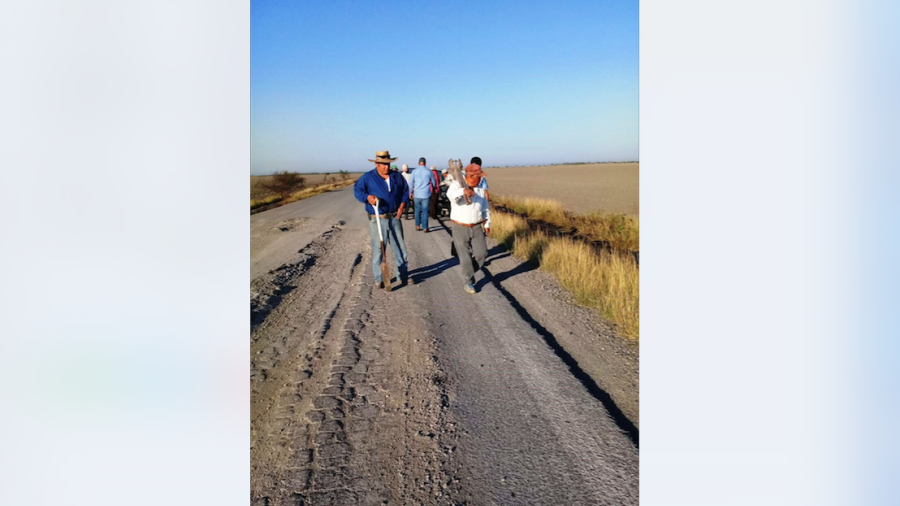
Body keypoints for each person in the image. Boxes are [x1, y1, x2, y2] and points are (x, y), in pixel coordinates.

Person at [353, 150, 410, 288]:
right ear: (377, 164)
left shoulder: (397, 176)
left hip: (394, 217)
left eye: (388, 164)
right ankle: (379, 278)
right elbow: (358, 190)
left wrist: (402, 206)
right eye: (383, 164)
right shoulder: (368, 177)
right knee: (379, 248)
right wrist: (368, 197)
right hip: (378, 218)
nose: (386, 167)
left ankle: (402, 275)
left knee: (400, 247)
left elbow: (405, 191)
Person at [446, 163, 491, 294]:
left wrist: (487, 224)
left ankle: (468, 272)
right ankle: (468, 281)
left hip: (477, 226)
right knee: (465, 257)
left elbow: (485, 208)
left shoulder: (480, 189)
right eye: (478, 177)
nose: (481, 179)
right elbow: (450, 196)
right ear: (470, 176)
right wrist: (463, 191)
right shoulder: (456, 185)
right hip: (460, 226)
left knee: (482, 254)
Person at [409, 157, 435, 232]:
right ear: (425, 163)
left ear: (418, 163)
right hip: (426, 194)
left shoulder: (414, 171)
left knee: (417, 210)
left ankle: (417, 225)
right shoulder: (429, 171)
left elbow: (411, 183)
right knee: (425, 211)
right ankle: (425, 227)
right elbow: (433, 183)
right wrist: (434, 188)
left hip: (416, 194)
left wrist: (410, 192)